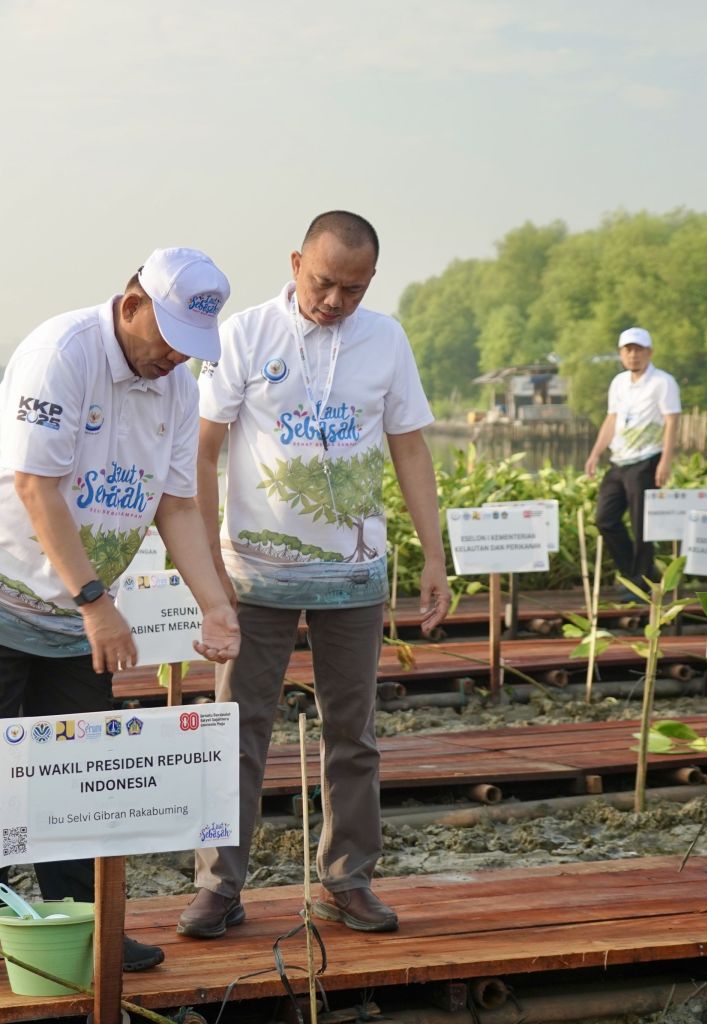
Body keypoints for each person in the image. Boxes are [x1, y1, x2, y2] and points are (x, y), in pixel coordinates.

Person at [0, 247, 243, 975]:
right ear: (132, 304)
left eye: (189, 348)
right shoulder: (61, 353)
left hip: (75, 606)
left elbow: (177, 504)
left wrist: (216, 604)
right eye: (167, 339)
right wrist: (97, 603)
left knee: (81, 759)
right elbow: (37, 486)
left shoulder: (174, 388)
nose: (174, 358)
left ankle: (88, 924)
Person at [178, 211, 451, 939]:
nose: (335, 302)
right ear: (296, 262)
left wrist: (433, 553)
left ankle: (347, 879)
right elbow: (202, 451)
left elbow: (411, 451)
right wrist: (208, 565)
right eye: (325, 283)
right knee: (237, 730)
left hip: (354, 578)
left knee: (352, 735)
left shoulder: (385, 339)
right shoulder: (244, 334)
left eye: (353, 290)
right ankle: (219, 885)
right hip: (254, 577)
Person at [584, 328, 681, 586]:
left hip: (646, 459)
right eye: (628, 350)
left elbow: (672, 421)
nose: (633, 355)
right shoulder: (618, 383)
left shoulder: (663, 382)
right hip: (619, 460)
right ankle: (635, 573)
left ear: (649, 352)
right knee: (605, 519)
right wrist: (595, 453)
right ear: (620, 354)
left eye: (639, 349)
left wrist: (665, 461)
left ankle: (640, 579)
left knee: (642, 525)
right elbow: (612, 419)